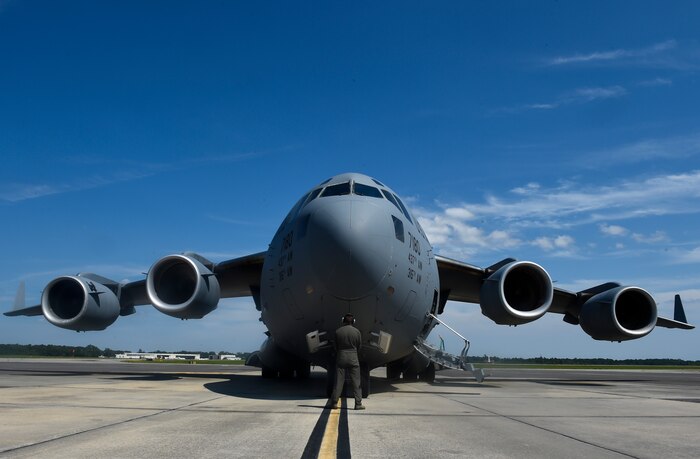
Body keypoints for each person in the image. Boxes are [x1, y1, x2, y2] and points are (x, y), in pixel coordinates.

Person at [328, 313, 365, 410]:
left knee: (338, 382)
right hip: (353, 358)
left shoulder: (338, 331)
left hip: (341, 357)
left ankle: (334, 402)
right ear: (353, 321)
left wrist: (340, 352)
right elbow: (359, 346)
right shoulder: (357, 332)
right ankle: (358, 404)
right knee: (356, 382)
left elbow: (335, 346)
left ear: (343, 321)